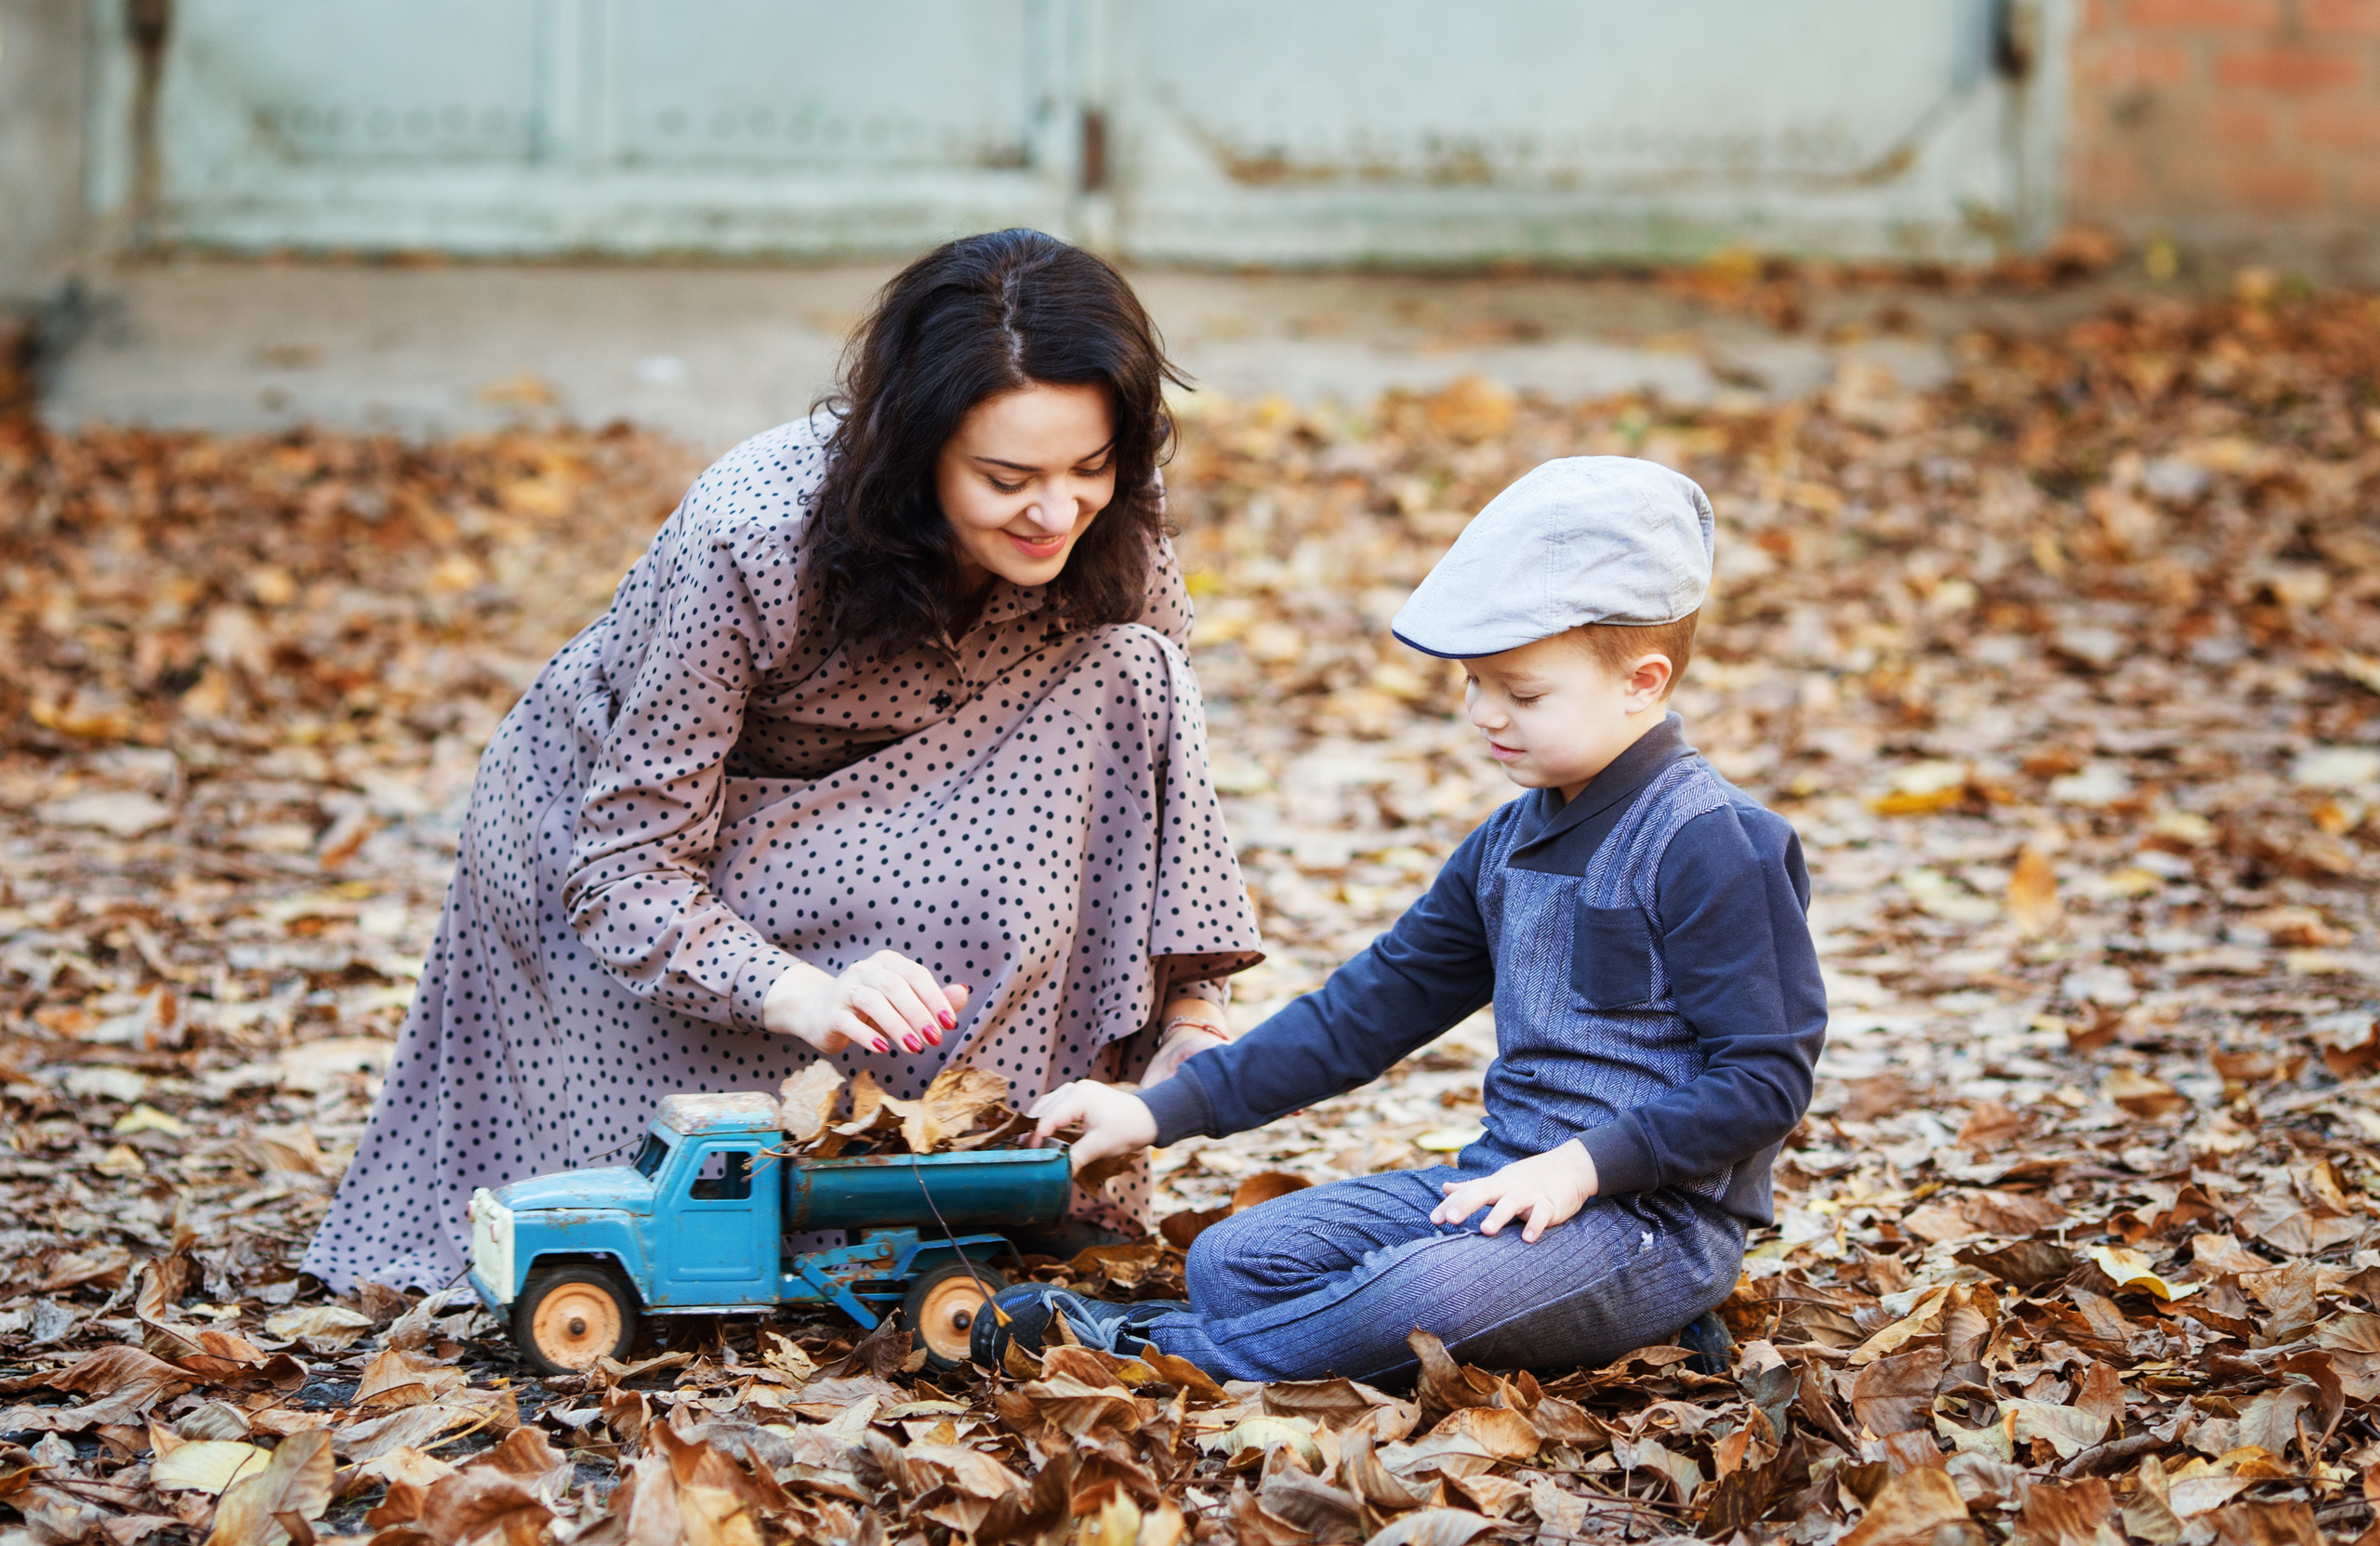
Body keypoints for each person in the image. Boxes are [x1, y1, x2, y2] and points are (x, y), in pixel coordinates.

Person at [304, 230, 1263, 1293]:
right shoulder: (755, 534)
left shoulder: (1103, 513)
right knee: (715, 1221)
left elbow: (1159, 759)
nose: (1054, 512)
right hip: (649, 847)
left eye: (1090, 466)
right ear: (914, 453)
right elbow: (624, 870)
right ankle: (859, 1195)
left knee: (1136, 669)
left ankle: (1007, 1184)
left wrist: (1192, 1017)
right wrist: (795, 990)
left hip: (909, 797)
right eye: (1005, 477)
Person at [989, 456, 1826, 1384]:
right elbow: (1365, 1013)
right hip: (1502, 1184)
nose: (1482, 715)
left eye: (1522, 691)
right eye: (1471, 684)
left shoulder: (1716, 843)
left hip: (1651, 1223)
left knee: (1426, 1300)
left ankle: (1138, 1349)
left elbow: (1763, 1081)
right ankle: (1563, 1333)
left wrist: (1582, 1167)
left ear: (1642, 680)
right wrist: (1156, 1108)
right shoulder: (1506, 844)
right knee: (1234, 1261)